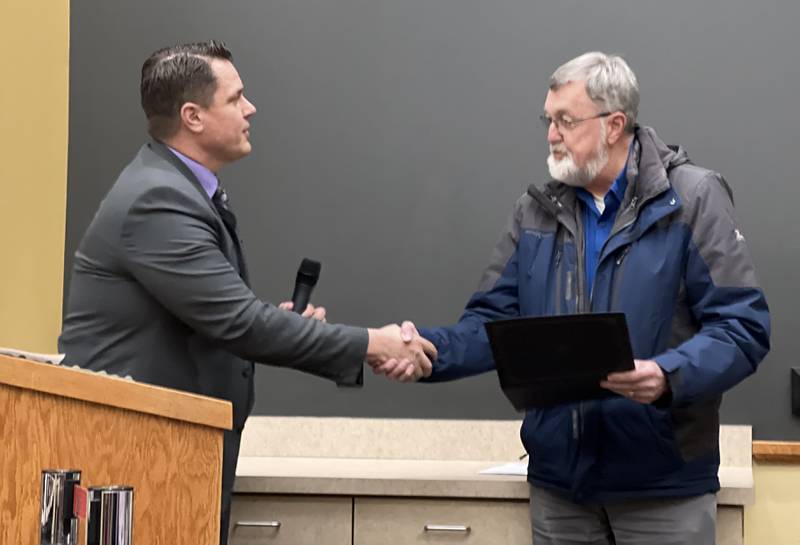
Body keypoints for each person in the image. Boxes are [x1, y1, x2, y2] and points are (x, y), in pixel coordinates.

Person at [58, 40, 436, 545]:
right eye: (236, 99)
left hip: (174, 453)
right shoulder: (158, 200)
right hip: (137, 460)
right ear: (193, 116)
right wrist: (374, 343)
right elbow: (240, 324)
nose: (250, 108)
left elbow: (221, 319)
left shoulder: (181, 189)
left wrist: (292, 327)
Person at [393, 52, 770, 544]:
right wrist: (429, 351)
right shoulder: (536, 210)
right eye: (548, 120)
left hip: (663, 490)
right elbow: (492, 322)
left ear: (614, 125)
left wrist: (666, 375)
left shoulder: (693, 199)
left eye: (565, 121)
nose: (551, 133)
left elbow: (743, 328)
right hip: (561, 492)